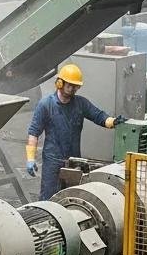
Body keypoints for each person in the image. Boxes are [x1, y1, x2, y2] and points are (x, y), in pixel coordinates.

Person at [25, 63, 125, 200]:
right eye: (70, 85)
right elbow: (34, 133)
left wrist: (112, 121)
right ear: (60, 83)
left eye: (76, 86)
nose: (73, 89)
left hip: (74, 162)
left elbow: (98, 116)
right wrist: (30, 158)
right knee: (48, 199)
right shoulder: (46, 105)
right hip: (53, 163)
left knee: (72, 199)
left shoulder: (80, 104)